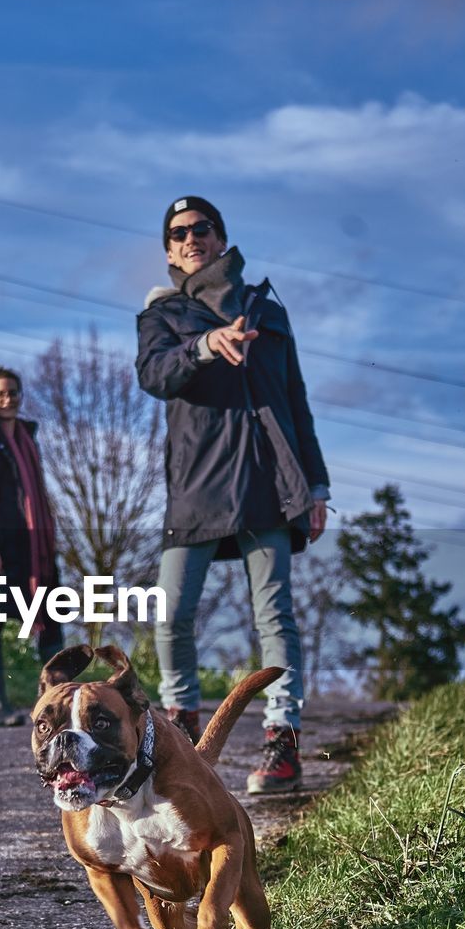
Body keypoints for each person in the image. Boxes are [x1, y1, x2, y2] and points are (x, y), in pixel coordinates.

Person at [136, 196, 330, 792]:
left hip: (267, 480)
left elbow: (294, 398)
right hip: (196, 484)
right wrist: (202, 346)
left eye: (201, 228)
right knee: (171, 611)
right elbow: (154, 375)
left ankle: (282, 740)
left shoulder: (267, 312)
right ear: (169, 249)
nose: (191, 238)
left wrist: (316, 483)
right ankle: (181, 731)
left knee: (275, 615)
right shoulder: (162, 314)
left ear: (220, 238)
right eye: (179, 233)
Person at [0, 366, 64, 726]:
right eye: (0, 393)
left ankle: (60, 701)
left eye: (14, 392)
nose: (8, 399)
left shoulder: (26, 438)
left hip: (33, 548)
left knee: (52, 617)